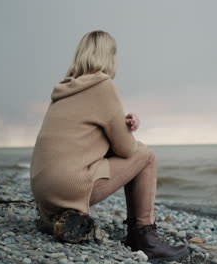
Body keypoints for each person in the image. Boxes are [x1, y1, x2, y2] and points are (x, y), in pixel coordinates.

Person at [29, 30, 188, 263]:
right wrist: (129, 132)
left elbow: (82, 141)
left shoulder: (64, 90)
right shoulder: (103, 85)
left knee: (139, 152)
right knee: (146, 155)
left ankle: (52, 218)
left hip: (43, 191)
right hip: (69, 188)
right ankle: (143, 236)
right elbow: (126, 150)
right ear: (110, 56)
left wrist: (121, 127)